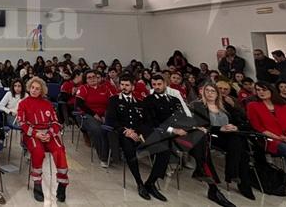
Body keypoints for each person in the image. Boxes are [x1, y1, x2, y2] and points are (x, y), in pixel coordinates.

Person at [142, 75, 235, 207]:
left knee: (201, 142)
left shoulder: (174, 100)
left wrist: (194, 127)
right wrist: (173, 130)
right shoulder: (148, 100)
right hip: (162, 133)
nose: (156, 87)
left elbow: (184, 118)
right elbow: (151, 122)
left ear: (165, 84)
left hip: (180, 133)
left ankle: (213, 188)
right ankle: (150, 184)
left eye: (159, 84)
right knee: (168, 149)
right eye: (154, 84)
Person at [105, 74, 169, 202]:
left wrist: (140, 133)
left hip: (140, 134)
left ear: (133, 87)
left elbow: (147, 121)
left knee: (164, 150)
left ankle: (150, 183)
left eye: (127, 85)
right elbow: (110, 120)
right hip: (124, 135)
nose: (124, 87)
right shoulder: (114, 100)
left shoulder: (140, 102)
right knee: (129, 150)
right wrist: (125, 131)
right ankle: (140, 183)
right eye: (122, 85)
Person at [190, 82, 255, 200]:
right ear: (203, 92)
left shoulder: (225, 106)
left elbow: (242, 120)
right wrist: (219, 128)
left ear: (217, 94)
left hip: (227, 136)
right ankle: (235, 177)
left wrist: (236, 127)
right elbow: (200, 126)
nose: (210, 93)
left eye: (213, 91)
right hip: (210, 136)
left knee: (238, 141)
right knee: (242, 150)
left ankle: (233, 174)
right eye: (207, 90)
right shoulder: (198, 106)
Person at [17, 77, 69, 202]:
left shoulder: (48, 104)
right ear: (29, 88)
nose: (34, 90)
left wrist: (50, 134)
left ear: (42, 91)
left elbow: (56, 122)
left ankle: (62, 186)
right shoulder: (23, 103)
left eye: (37, 89)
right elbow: (22, 123)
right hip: (31, 135)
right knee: (38, 151)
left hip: (48, 134)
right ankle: (37, 185)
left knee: (60, 151)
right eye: (32, 88)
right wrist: (36, 134)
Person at [75, 70, 116, 167]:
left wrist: (106, 115)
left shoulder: (105, 88)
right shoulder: (83, 88)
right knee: (98, 129)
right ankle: (104, 157)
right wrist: (94, 115)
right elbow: (79, 104)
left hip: (104, 115)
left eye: (94, 76)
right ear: (86, 80)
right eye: (89, 77)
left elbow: (112, 102)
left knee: (114, 127)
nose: (92, 79)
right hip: (86, 115)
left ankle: (115, 154)